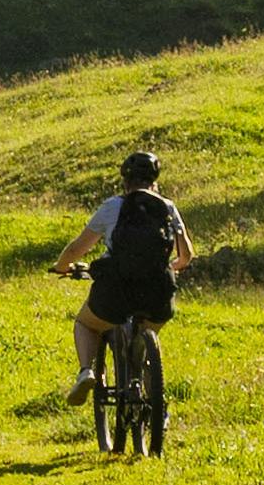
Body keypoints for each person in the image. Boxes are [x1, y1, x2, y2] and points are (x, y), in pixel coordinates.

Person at [47, 148, 197, 406]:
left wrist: (62, 266)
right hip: (158, 291)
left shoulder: (113, 206)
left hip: (116, 289)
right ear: (155, 180)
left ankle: (86, 372)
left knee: (86, 324)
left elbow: (76, 249)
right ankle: (156, 405)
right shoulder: (167, 208)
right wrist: (165, 266)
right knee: (149, 339)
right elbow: (186, 256)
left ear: (124, 180)